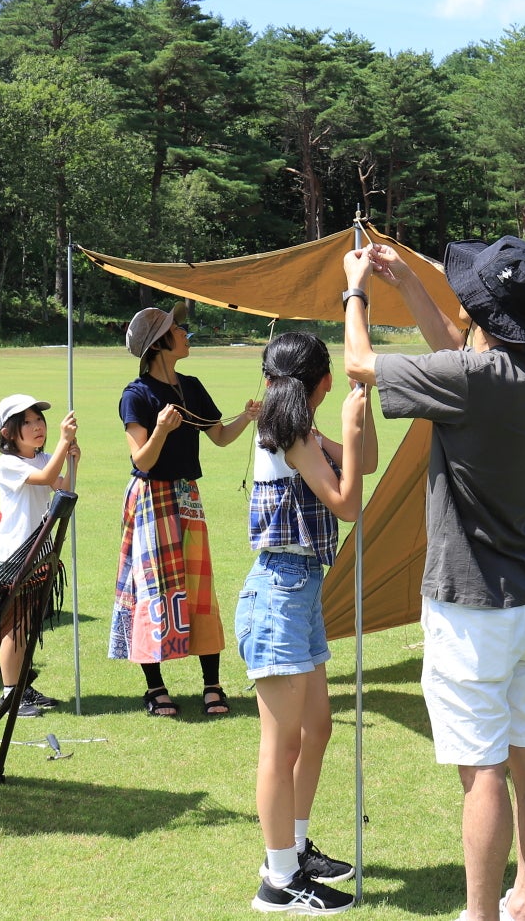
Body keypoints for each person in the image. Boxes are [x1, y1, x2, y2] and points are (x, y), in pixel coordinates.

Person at [342, 237, 525, 921]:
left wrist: (356, 290)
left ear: (488, 317)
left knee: (482, 774)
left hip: (472, 614)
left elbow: (358, 362)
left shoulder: (471, 383)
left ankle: (481, 915)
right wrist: (408, 281)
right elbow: (458, 351)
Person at [238, 333, 377, 914]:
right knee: (281, 744)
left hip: (299, 592)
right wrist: (344, 422)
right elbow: (348, 503)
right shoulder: (290, 436)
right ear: (319, 384)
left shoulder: (297, 429)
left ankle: (292, 850)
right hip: (279, 593)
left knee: (315, 731)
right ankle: (278, 880)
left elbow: (362, 462)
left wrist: (358, 412)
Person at [111, 304, 262, 718]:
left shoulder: (191, 386)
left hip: (186, 496)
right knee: (152, 590)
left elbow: (219, 436)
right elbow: (141, 460)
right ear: (159, 344)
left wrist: (248, 418)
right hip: (150, 497)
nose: (184, 332)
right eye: (177, 328)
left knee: (198, 588)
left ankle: (212, 685)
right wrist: (160, 429)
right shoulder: (136, 395)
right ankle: (155, 687)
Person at [0, 393, 79, 717]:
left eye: (38, 419)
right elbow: (42, 479)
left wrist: (73, 460)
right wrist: (62, 440)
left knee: (25, 625)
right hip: (11, 558)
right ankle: (9, 695)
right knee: (12, 628)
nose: (37, 426)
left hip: (33, 556)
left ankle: (21, 687)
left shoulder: (41, 458)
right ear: (8, 432)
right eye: (26, 422)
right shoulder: (9, 464)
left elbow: (63, 489)